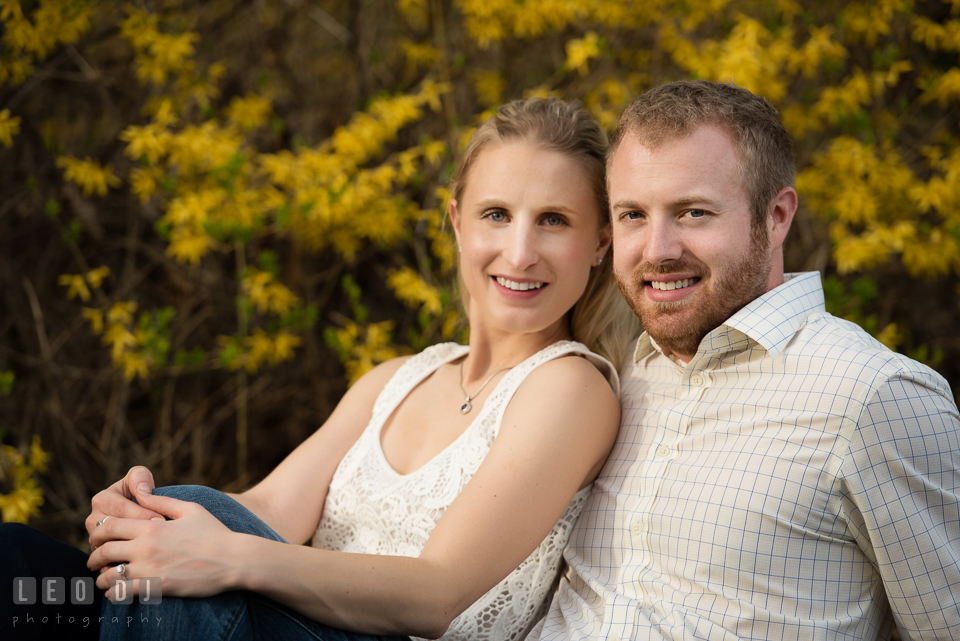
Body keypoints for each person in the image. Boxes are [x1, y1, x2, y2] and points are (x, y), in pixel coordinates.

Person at [0, 97, 640, 641]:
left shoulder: (570, 387)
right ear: (457, 222)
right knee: (18, 565)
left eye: (553, 221)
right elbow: (268, 508)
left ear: (599, 245)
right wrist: (142, 514)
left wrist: (227, 555)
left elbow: (439, 593)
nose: (520, 252)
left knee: (189, 561)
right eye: (496, 215)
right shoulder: (394, 380)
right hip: (269, 619)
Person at [526, 79, 960, 641]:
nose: (657, 249)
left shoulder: (872, 394)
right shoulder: (622, 375)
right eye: (633, 214)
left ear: (776, 216)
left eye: (694, 213)